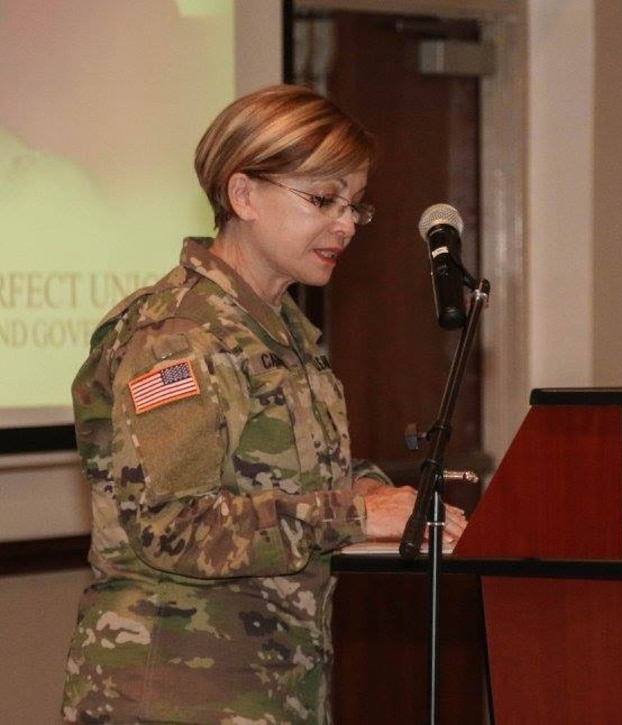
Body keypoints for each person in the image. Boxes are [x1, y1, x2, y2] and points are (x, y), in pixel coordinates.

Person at [61, 84, 467, 724]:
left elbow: (294, 480)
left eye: (355, 206)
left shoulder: (284, 333)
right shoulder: (179, 337)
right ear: (243, 194)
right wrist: (358, 513)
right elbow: (176, 526)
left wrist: (397, 504)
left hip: (276, 690)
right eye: (321, 199)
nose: (344, 224)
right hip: (176, 697)